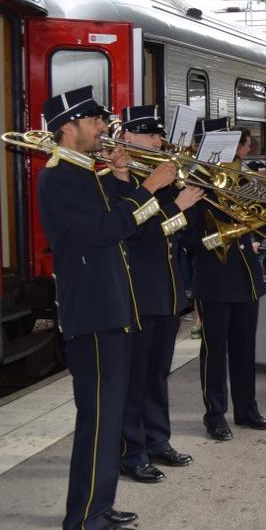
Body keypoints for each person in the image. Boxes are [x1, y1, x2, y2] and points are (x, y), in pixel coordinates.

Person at [38, 86, 185, 530]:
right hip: (95, 313)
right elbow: (108, 230)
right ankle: (83, 521)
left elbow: (118, 221)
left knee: (108, 415)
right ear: (68, 127)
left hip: (111, 308)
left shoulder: (85, 172)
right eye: (95, 120)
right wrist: (148, 187)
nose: (104, 127)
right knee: (98, 421)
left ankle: (97, 506)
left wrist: (123, 180)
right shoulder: (60, 176)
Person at [116, 106, 203, 485]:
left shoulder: (162, 180)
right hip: (139, 290)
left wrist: (183, 202)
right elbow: (135, 233)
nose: (157, 140)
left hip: (166, 290)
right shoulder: (119, 182)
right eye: (148, 134)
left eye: (157, 134)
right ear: (128, 137)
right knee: (136, 378)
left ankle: (157, 440)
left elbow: (176, 232)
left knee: (157, 373)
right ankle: (131, 452)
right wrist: (178, 208)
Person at [184, 125, 266, 440]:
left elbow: (263, 217)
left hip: (247, 277)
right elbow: (188, 238)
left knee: (245, 349)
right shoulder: (196, 187)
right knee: (215, 352)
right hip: (214, 279)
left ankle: (247, 409)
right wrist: (219, 237)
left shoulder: (245, 180)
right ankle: (215, 415)